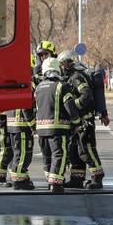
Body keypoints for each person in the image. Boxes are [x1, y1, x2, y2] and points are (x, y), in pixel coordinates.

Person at [58, 50, 105, 189]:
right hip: (76, 122)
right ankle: (76, 179)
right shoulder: (71, 76)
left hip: (85, 121)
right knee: (74, 151)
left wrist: (73, 106)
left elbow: (86, 95)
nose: (60, 68)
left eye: (61, 65)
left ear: (66, 64)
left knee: (87, 150)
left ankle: (97, 178)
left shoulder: (76, 77)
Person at [35, 57, 81, 194]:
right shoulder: (62, 86)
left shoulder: (38, 87)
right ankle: (56, 184)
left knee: (47, 156)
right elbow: (70, 107)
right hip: (58, 129)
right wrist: (77, 123)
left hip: (41, 130)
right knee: (59, 154)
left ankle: (50, 180)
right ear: (57, 70)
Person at [6, 78, 36, 191]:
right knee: (23, 155)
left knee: (17, 154)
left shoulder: (13, 84)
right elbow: (26, 107)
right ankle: (18, 181)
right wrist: (33, 125)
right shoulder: (27, 85)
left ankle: (21, 178)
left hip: (12, 125)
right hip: (22, 126)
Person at [0, 113, 13, 187]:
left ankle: (12, 175)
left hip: (8, 119)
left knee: (11, 150)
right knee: (4, 150)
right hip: (2, 120)